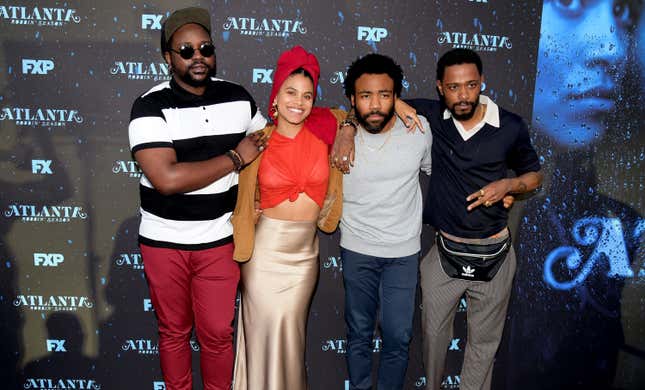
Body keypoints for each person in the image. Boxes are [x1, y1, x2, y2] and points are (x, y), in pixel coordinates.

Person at [127, 7, 267, 390]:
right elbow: (167, 178)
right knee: (174, 332)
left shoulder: (239, 98)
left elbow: (274, 143)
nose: (197, 57)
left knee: (218, 335)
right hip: (164, 243)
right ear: (168, 58)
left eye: (204, 47)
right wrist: (235, 158)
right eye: (185, 50)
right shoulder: (149, 106)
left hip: (220, 241)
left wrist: (345, 124)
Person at [406, 48, 543, 390]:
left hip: (495, 254)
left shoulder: (509, 125)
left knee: (484, 346)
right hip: (445, 254)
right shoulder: (433, 116)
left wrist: (510, 185)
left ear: (482, 81)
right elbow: (384, 98)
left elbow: (534, 176)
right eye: (454, 87)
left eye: (470, 85)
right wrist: (348, 127)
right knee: (433, 341)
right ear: (440, 87)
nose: (463, 95)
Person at [231, 45, 346, 390]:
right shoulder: (258, 141)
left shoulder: (327, 129)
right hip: (265, 254)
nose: (299, 102)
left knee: (290, 338)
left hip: (304, 256)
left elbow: (352, 114)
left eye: (308, 95)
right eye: (291, 92)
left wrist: (351, 128)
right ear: (276, 96)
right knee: (265, 333)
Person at [339, 53, 432, 390]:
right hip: (356, 249)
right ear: (352, 100)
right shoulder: (336, 131)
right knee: (359, 333)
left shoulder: (419, 130)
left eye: (384, 95)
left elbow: (436, 174)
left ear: (397, 97)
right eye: (365, 96)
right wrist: (346, 128)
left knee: (398, 335)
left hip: (403, 253)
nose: (375, 105)